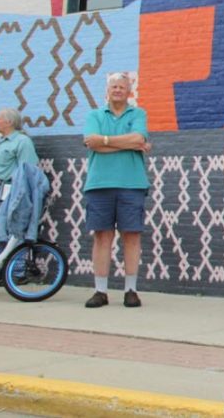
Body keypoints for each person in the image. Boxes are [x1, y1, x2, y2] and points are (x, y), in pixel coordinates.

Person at [81, 73, 152, 308]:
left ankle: (130, 290)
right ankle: (100, 291)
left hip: (132, 183)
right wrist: (129, 144)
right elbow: (91, 142)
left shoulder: (138, 113)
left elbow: (139, 138)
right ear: (107, 90)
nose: (118, 90)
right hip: (99, 184)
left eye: (122, 86)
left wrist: (105, 142)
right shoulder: (94, 115)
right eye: (114, 86)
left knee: (131, 236)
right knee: (102, 237)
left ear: (129, 90)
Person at [0, 108, 39, 254]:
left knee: (11, 231)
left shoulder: (22, 142)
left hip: (9, 191)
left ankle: (16, 273)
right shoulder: (1, 143)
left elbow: (27, 171)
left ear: (9, 122)